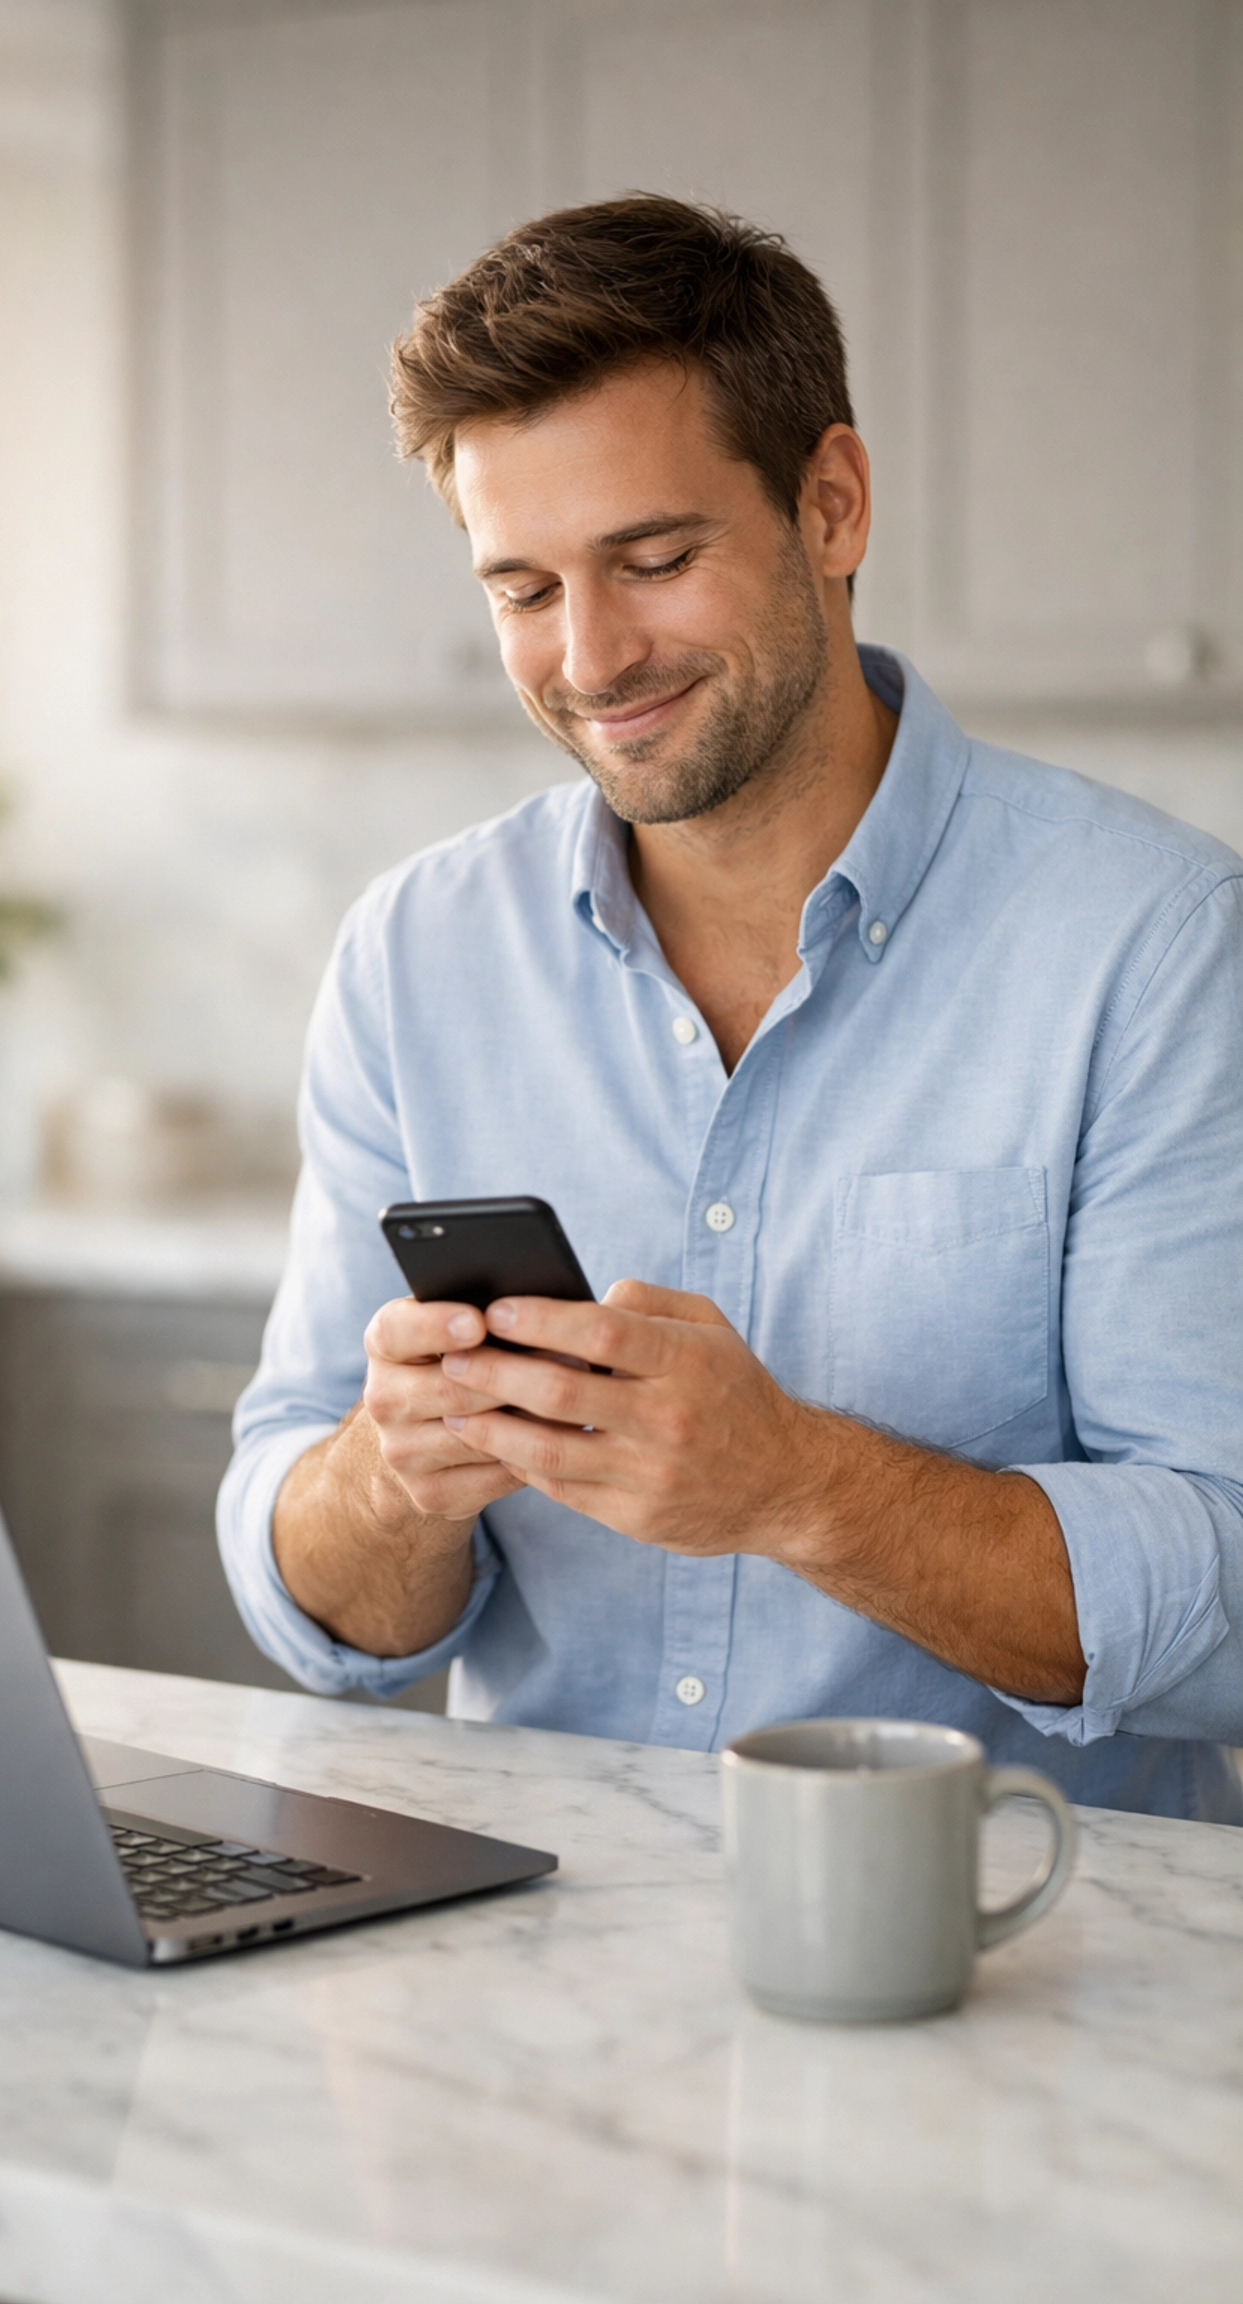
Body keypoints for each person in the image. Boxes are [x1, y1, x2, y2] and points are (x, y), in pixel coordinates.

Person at [219, 195, 1243, 1817]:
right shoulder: (414, 958)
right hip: (545, 1969)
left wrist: (796, 1484)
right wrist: (391, 1481)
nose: (593, 655)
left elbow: (1228, 1595)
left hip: (1018, 1972)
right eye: (524, 588)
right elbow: (321, 1608)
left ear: (831, 505)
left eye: (656, 559)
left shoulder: (1160, 946)